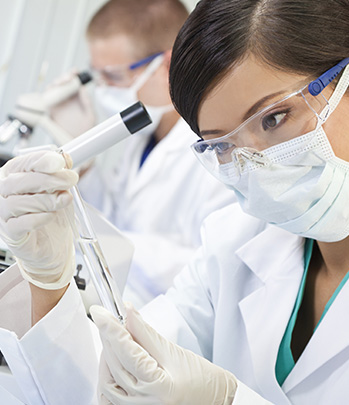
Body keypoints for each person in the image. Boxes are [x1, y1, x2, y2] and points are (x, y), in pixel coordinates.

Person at [0, 0, 349, 404]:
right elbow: (105, 390)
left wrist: (227, 400)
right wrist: (47, 280)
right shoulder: (233, 244)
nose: (258, 164)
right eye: (224, 145)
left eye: (274, 118)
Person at [49, 0, 236, 306]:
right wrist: (80, 152)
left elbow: (212, 267)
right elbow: (106, 217)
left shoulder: (219, 150)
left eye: (115, 77)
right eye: (98, 77)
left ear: (167, 64)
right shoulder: (144, 135)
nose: (104, 89)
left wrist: (115, 245)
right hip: (120, 302)